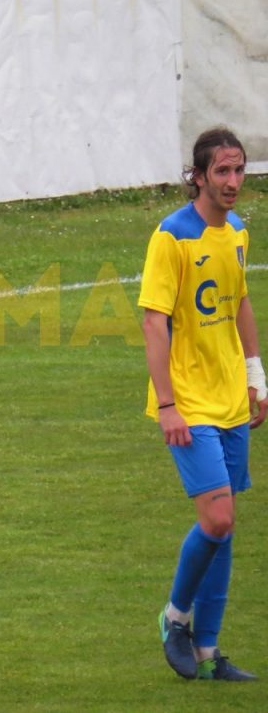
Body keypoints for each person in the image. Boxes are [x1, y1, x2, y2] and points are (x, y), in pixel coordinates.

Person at [140, 126, 266, 681]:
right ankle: (175, 617)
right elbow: (153, 321)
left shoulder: (237, 231)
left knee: (225, 525)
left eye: (240, 170)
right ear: (199, 175)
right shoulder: (172, 236)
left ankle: (209, 654)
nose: (233, 181)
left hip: (230, 398)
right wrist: (168, 405)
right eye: (223, 171)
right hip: (189, 403)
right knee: (216, 518)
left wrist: (255, 374)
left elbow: (239, 302)